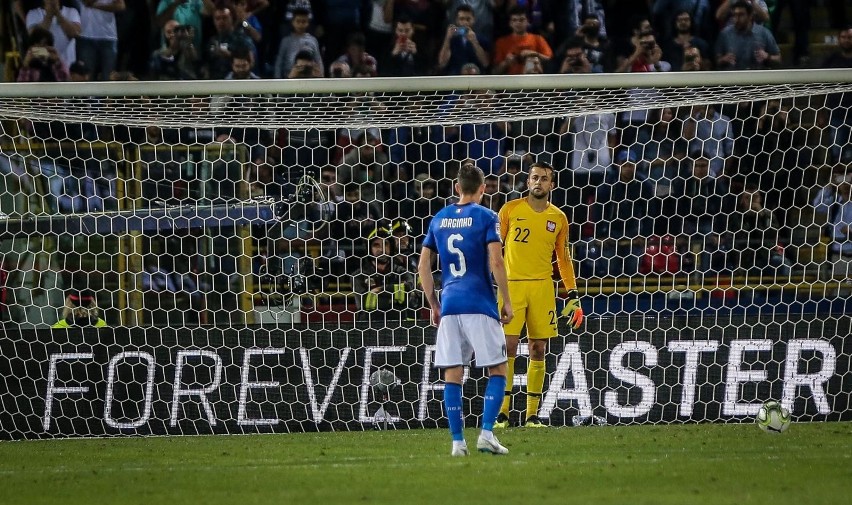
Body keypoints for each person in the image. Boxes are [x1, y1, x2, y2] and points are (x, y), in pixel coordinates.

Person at [417, 162, 513, 456]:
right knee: (498, 368)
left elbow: (423, 266)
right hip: (479, 303)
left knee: (453, 374)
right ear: (483, 189)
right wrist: (506, 299)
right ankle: (486, 433)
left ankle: (457, 443)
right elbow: (496, 262)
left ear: (456, 188)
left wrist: (434, 303)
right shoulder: (487, 217)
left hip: (450, 305)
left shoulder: (439, 218)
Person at [494, 161, 584, 429]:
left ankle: (532, 415)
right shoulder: (509, 210)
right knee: (508, 346)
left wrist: (573, 294)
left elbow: (564, 259)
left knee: (538, 348)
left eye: (544, 178)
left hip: (543, 287)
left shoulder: (558, 218)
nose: (538, 182)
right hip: (512, 286)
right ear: (527, 181)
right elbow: (494, 250)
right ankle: (503, 412)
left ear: (551, 184)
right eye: (534, 177)